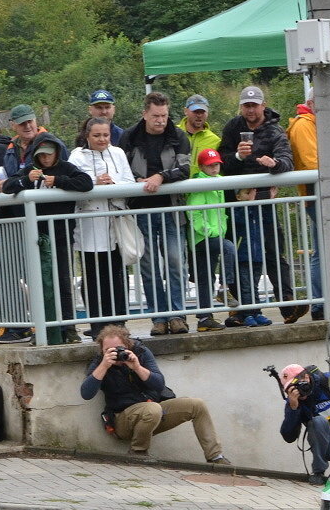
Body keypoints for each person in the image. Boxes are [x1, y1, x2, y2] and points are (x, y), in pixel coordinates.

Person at [80, 325, 230, 463]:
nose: (115, 354)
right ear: (102, 350)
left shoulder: (141, 353)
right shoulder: (99, 363)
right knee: (152, 409)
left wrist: (137, 367)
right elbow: (86, 393)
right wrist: (104, 365)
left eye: (119, 349)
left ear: (127, 345)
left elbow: (159, 384)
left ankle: (215, 457)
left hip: (153, 412)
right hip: (123, 420)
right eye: (108, 350)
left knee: (197, 405)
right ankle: (138, 453)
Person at [218, 86, 304, 324]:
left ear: (263, 106)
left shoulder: (275, 130)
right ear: (241, 107)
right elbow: (221, 163)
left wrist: (274, 164)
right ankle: (244, 309)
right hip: (237, 203)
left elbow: (287, 161)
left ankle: (287, 303)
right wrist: (238, 156)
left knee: (274, 250)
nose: (250, 110)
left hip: (264, 200)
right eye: (246, 106)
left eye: (254, 106)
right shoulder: (233, 127)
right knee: (242, 255)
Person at [2, 132, 92, 344]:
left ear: (57, 153)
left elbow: (86, 183)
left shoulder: (66, 168)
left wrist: (59, 181)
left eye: (48, 154)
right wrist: (26, 180)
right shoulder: (30, 170)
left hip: (61, 234)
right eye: (41, 155)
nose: (45, 158)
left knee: (63, 281)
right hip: (37, 237)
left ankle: (69, 328)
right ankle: (43, 329)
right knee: (39, 282)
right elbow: (7, 186)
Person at [119, 91, 192, 335]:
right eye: (155, 116)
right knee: (149, 268)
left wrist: (161, 176)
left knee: (175, 262)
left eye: (164, 115)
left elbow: (185, 169)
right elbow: (121, 169)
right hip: (141, 209)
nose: (160, 120)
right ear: (145, 114)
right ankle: (158, 318)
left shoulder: (178, 136)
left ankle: (177, 315)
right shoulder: (129, 137)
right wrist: (136, 182)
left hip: (171, 208)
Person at [68, 117, 137, 338]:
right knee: (93, 276)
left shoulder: (118, 153)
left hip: (115, 222)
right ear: (87, 135)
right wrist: (95, 183)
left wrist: (114, 185)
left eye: (105, 135)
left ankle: (119, 323)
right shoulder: (76, 156)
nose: (102, 139)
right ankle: (98, 324)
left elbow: (129, 182)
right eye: (96, 135)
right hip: (90, 223)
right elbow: (74, 185)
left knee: (117, 274)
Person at [185, 148, 240, 331]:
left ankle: (204, 319)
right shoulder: (199, 184)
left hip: (213, 235)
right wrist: (207, 231)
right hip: (203, 238)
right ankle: (224, 288)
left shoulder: (219, 182)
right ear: (201, 167)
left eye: (217, 165)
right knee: (228, 248)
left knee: (205, 277)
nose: (214, 168)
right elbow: (194, 212)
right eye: (210, 166)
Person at [286, 89, 324, 320]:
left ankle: (321, 302)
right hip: (317, 194)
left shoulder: (312, 123)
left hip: (321, 194)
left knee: (322, 250)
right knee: (323, 252)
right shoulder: (303, 125)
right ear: (311, 103)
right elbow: (312, 163)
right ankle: (320, 303)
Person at [278, 363, 330, 485]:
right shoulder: (295, 401)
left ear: (306, 377)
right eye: (291, 389)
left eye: (297, 385)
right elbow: (289, 437)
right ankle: (318, 473)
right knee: (317, 421)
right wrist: (293, 408)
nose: (297, 391)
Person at [178, 93, 221, 176]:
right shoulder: (173, 133)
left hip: (203, 184)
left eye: (202, 112)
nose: (199, 115)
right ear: (185, 111)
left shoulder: (215, 140)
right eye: (195, 111)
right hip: (175, 183)